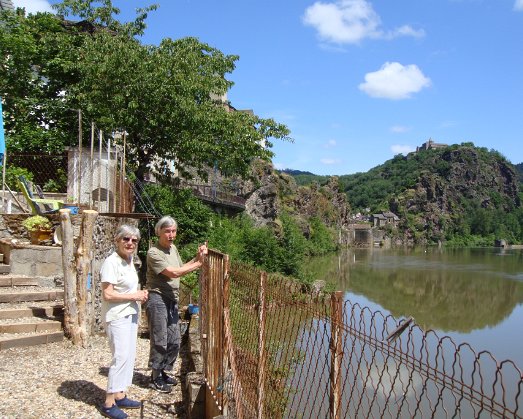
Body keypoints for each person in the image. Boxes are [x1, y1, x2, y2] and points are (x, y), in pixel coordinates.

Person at [145, 215, 207, 392]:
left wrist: (197, 257)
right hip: (157, 298)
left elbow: (182, 266)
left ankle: (164, 371)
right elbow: (173, 273)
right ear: (159, 232)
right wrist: (199, 264)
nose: (171, 235)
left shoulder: (173, 249)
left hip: (172, 299)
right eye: (167, 231)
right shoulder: (153, 253)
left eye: (173, 231)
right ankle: (155, 376)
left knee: (174, 340)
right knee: (160, 339)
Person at [99, 225, 148, 419]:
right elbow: (107, 294)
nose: (130, 243)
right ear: (117, 240)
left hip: (130, 314)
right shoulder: (111, 262)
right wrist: (135, 295)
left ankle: (120, 394)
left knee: (128, 355)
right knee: (119, 357)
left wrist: (137, 297)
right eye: (126, 239)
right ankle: (109, 403)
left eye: (134, 240)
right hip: (117, 316)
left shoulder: (128, 261)